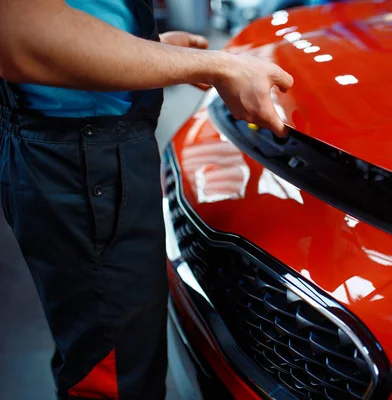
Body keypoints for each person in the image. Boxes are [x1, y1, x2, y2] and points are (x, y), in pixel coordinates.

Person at [0, 1, 294, 399]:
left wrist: (145, 51)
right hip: (85, 160)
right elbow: (21, 35)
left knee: (99, 339)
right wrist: (217, 66)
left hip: (82, 152)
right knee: (117, 372)